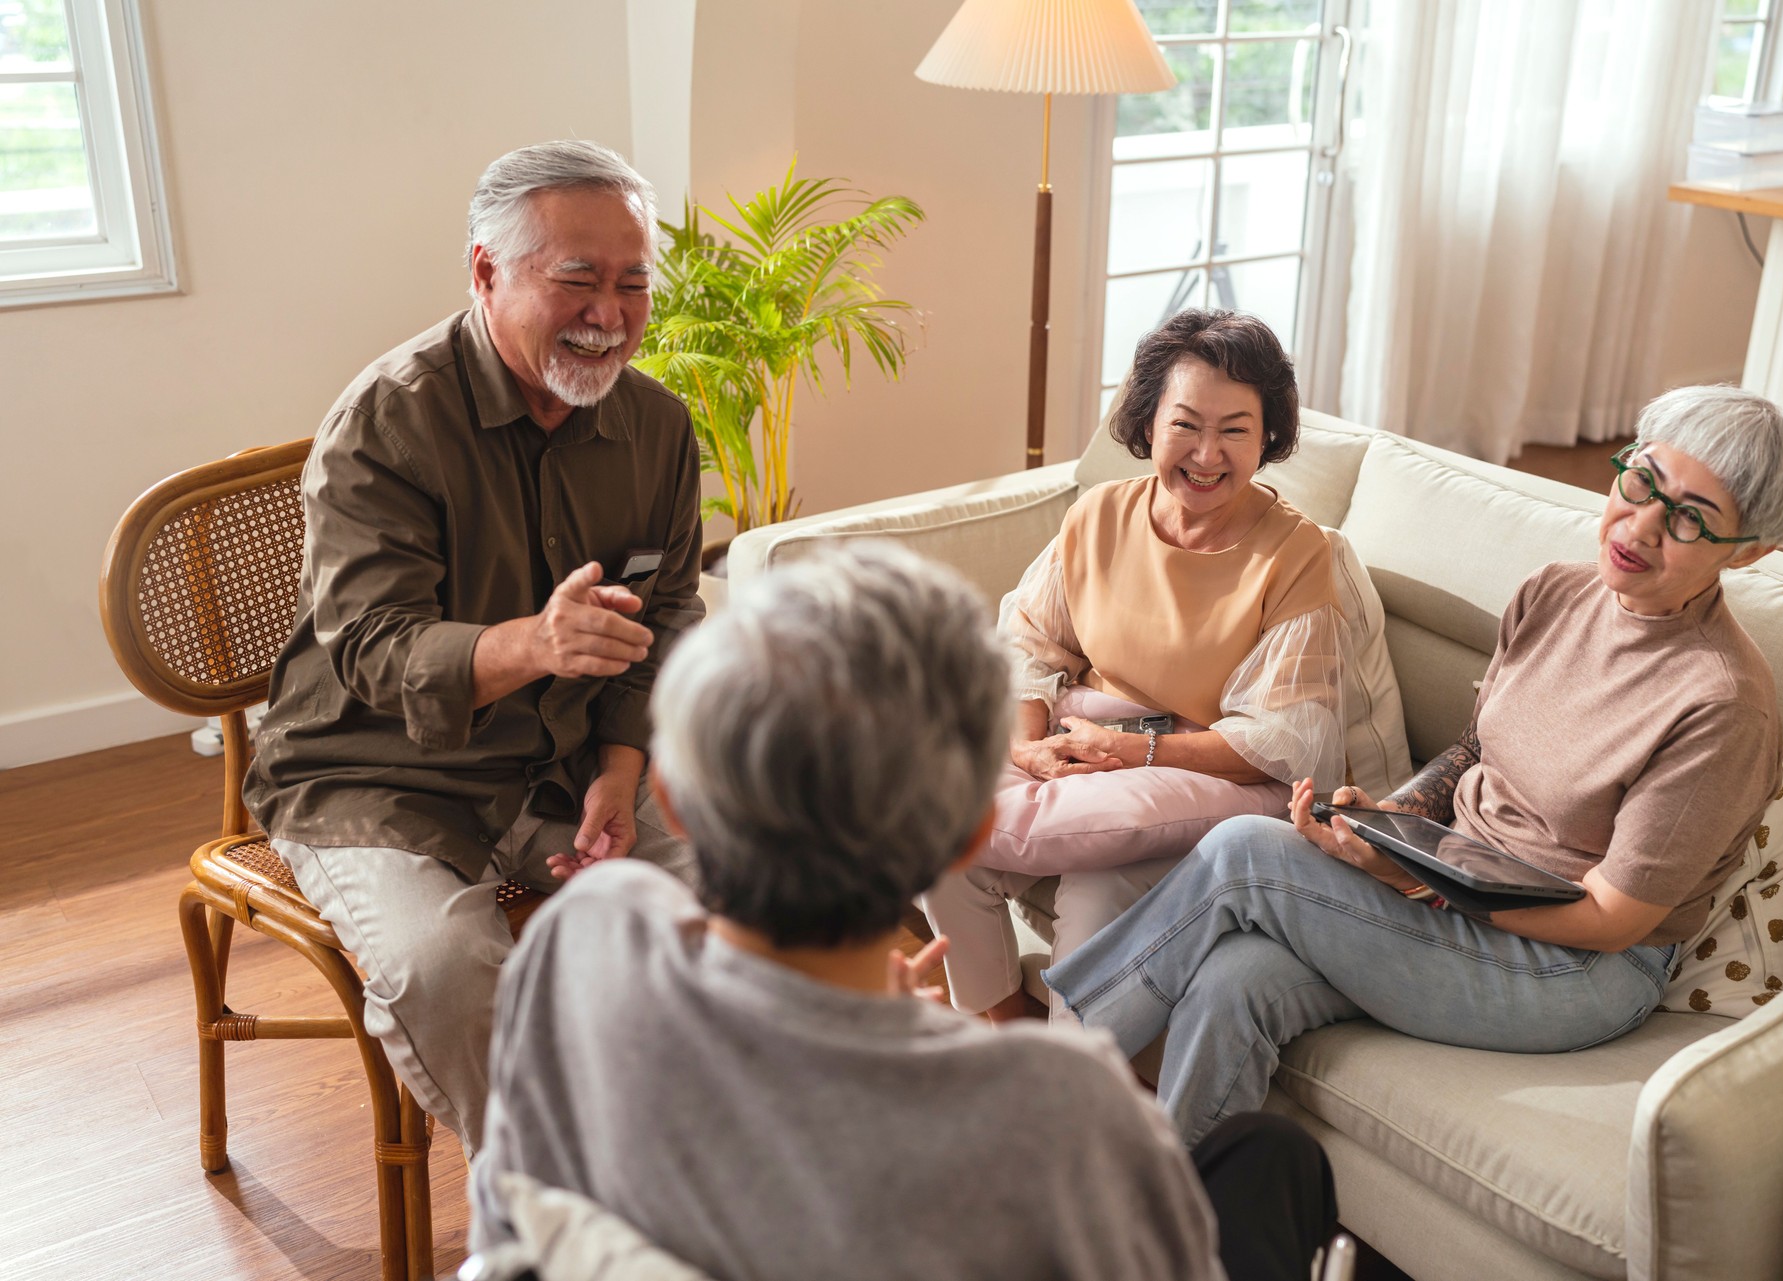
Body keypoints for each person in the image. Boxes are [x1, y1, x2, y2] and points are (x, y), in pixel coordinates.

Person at [468, 543, 1339, 1281]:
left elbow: (510, 1225)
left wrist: (842, 1018)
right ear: (964, 837)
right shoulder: (1068, 1109)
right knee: (1273, 1160)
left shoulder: (583, 941)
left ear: (675, 798)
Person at [1043, 385, 1783, 1147]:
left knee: (1242, 853)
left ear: (1753, 550)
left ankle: (1032, 1097)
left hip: (1574, 968)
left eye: (1691, 520)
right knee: (1235, 980)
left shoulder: (1723, 703)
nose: (1640, 526)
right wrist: (1384, 826)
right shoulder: (1555, 593)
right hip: (1460, 883)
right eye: (1641, 482)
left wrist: (1419, 882)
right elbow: (1472, 751)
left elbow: (1613, 919)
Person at [243, 140, 703, 1154]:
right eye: (577, 279)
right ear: (486, 272)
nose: (612, 314)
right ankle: (546, 1214)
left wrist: (621, 775)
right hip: (373, 776)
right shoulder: (386, 422)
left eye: (634, 284)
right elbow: (371, 649)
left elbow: (667, 621)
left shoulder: (659, 430)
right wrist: (537, 644)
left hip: (571, 765)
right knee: (445, 966)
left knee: (739, 898)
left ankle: (687, 1171)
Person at [922, 309, 1348, 1022]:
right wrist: (1026, 743)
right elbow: (1029, 643)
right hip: (1086, 739)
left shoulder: (1297, 556)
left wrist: (1128, 751)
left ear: (1269, 436)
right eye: (1186, 424)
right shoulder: (1099, 515)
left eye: (1235, 430)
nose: (1207, 454)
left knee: (1096, 884)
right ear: (1148, 423)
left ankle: (1070, 1082)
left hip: (1204, 773)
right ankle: (999, 1034)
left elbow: (1287, 741)